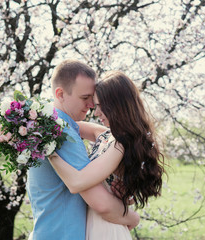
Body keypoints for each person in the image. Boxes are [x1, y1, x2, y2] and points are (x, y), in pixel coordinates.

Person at [26, 61, 140, 240]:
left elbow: (105, 135)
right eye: (84, 98)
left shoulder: (49, 128)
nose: (92, 105)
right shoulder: (62, 134)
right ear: (60, 94)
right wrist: (133, 217)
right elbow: (101, 203)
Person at [49, 70, 166, 240]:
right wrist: (32, 118)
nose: (96, 113)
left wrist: (48, 151)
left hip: (106, 229)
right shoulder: (105, 135)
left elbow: (76, 183)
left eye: (100, 106)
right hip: (95, 224)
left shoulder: (120, 144)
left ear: (117, 106)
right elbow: (67, 122)